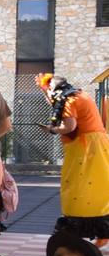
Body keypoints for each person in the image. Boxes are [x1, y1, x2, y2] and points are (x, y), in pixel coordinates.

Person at [38, 74, 109, 241]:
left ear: (56, 90)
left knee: (78, 189)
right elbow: (55, 103)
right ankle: (103, 231)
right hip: (95, 146)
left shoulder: (69, 101)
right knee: (96, 189)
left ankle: (79, 232)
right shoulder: (77, 95)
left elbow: (69, 126)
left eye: (50, 90)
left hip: (85, 149)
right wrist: (44, 90)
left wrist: (51, 129)